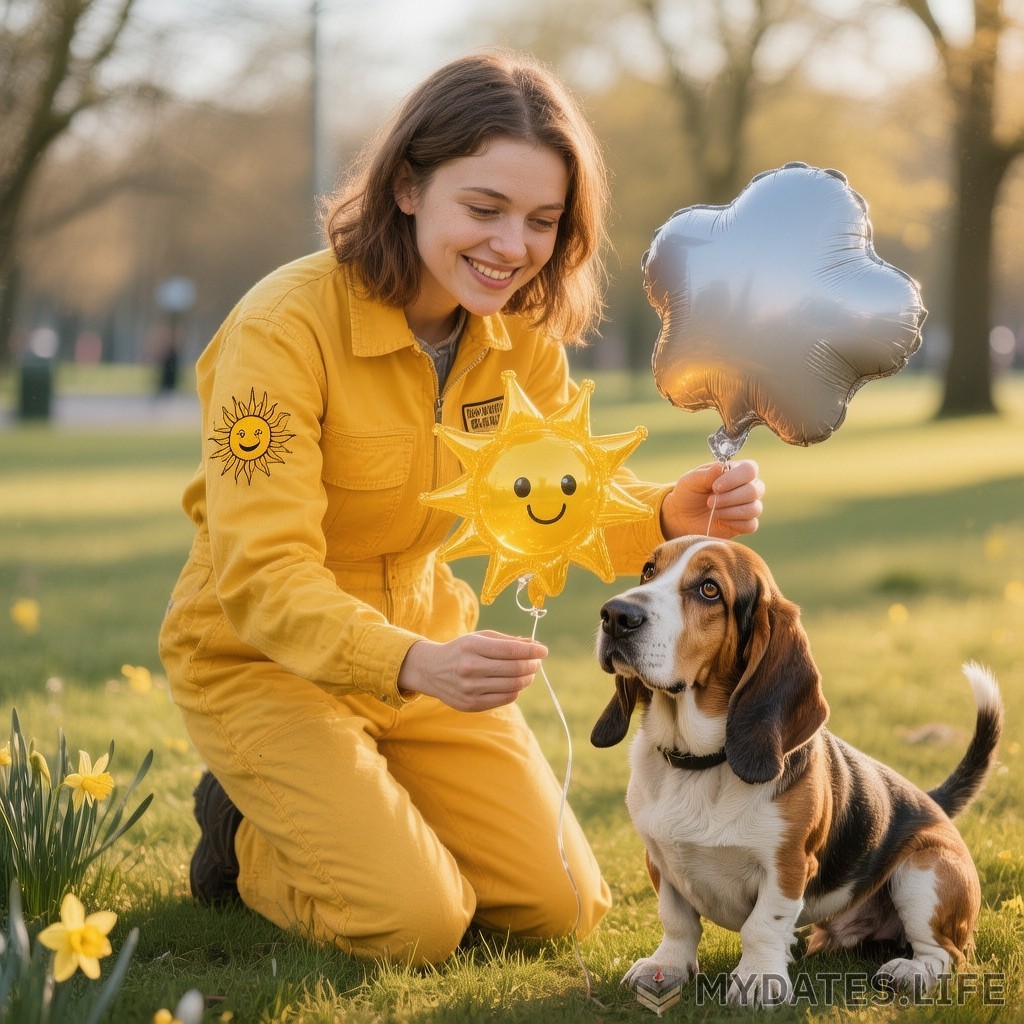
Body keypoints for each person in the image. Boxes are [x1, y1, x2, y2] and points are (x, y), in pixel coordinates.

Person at [158, 48, 765, 969]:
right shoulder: (281, 329)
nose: (512, 247)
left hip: (434, 651)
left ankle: (374, 810)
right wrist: (409, 663)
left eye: (541, 221)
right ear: (407, 185)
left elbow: (563, 505)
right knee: (417, 925)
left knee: (562, 905)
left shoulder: (518, 337)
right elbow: (263, 577)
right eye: (483, 209)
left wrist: (668, 516)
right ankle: (240, 838)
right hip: (266, 661)